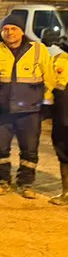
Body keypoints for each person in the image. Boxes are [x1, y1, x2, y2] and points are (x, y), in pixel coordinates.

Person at [0, 15, 55, 199]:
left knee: (29, 148)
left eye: (14, 29)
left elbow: (49, 77)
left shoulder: (38, 49)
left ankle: (25, 183)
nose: (9, 32)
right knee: (0, 148)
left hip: (30, 110)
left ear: (22, 31)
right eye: (6, 29)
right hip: (2, 110)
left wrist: (45, 104)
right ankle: (2, 181)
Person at [50, 40, 68, 205]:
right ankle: (66, 192)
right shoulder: (58, 59)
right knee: (63, 154)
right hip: (62, 117)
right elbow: (50, 85)